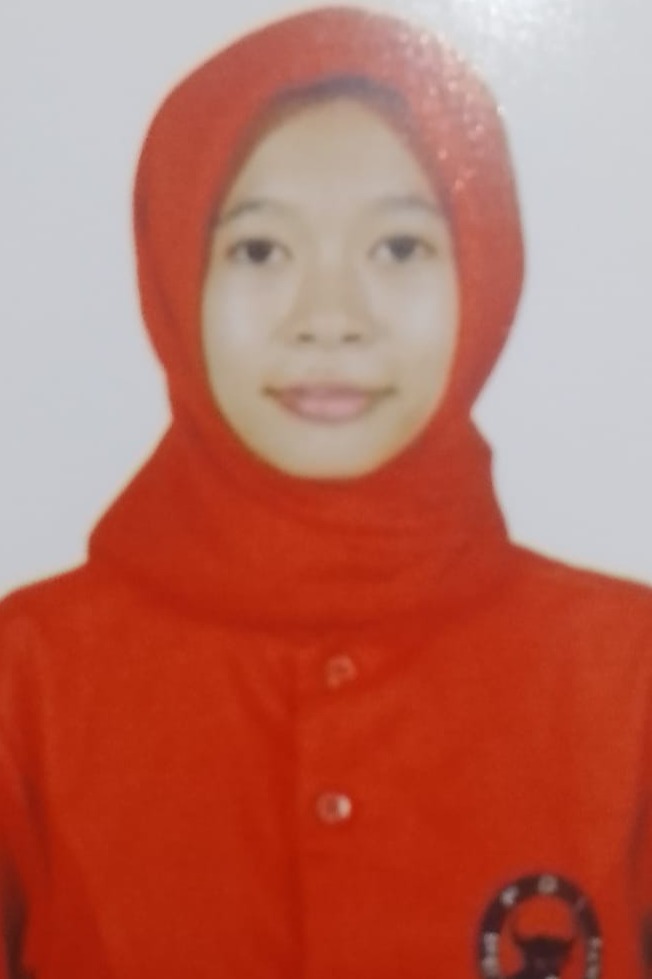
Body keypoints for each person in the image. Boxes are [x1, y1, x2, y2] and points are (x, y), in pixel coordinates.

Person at [0, 6, 650, 978]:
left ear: (484, 268)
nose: (331, 318)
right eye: (261, 250)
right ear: (176, 273)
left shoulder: (626, 676)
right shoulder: (29, 684)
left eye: (399, 248)